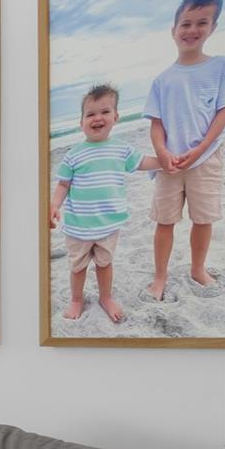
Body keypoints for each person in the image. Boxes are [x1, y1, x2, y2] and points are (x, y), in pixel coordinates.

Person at [52, 84, 161, 324]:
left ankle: (105, 297)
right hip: (79, 226)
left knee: (105, 263)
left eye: (104, 112)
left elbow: (143, 162)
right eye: (90, 114)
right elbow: (63, 185)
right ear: (81, 122)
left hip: (109, 225)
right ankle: (77, 299)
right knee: (78, 266)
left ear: (115, 117)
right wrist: (54, 206)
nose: (97, 118)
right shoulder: (73, 154)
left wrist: (165, 160)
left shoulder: (122, 149)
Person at [146, 0, 225, 299]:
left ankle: (197, 268)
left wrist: (200, 149)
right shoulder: (162, 80)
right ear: (173, 29)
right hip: (170, 163)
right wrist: (162, 153)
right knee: (164, 221)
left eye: (202, 23)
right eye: (186, 23)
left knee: (203, 218)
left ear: (213, 28)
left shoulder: (220, 67)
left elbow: (222, 114)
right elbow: (156, 125)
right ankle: (160, 276)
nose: (193, 30)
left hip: (205, 160)